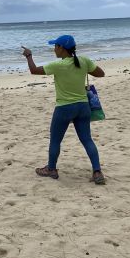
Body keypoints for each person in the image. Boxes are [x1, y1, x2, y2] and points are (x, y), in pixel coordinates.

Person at [22, 35, 106, 184]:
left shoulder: (58, 66)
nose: (54, 49)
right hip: (83, 107)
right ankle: (97, 172)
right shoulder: (84, 61)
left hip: (64, 108)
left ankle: (51, 169)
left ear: (62, 48)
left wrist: (29, 55)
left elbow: (34, 70)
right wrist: (83, 71)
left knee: (55, 140)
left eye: (56, 46)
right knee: (87, 139)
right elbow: (101, 73)